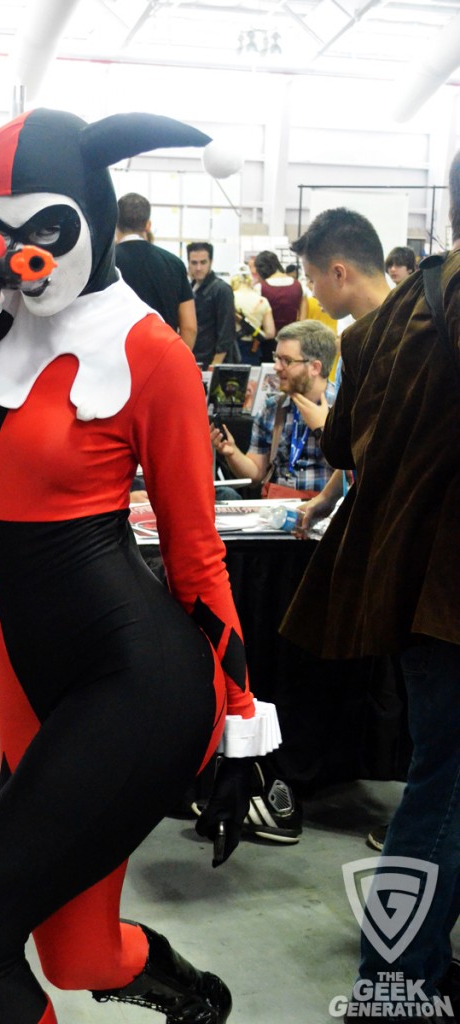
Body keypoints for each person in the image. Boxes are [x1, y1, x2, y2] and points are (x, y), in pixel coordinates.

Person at [0, 107, 279, 1024]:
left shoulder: (149, 353)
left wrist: (238, 720)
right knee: (76, 953)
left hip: (132, 686)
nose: (28, 255)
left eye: (48, 229)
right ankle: (198, 1000)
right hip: (32, 683)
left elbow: (195, 551)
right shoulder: (2, 324)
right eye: (7, 229)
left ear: (94, 214)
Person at [280, 151, 460, 1023]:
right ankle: (396, 982)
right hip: (450, 592)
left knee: (443, 774)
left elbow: (342, 445)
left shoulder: (394, 314)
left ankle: (414, 965)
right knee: (447, 783)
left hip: (412, 588)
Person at [290, 207, 391, 533]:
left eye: (311, 278)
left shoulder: (394, 337)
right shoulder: (360, 338)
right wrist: (329, 497)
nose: (311, 291)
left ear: (338, 273)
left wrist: (325, 427)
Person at [210, 319, 337, 499]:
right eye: (277, 358)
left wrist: (323, 429)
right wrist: (232, 453)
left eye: (287, 361)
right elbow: (255, 474)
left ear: (315, 367)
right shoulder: (272, 408)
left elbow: (354, 472)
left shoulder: (344, 408)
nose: (276, 367)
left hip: (327, 512)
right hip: (278, 513)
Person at [114, 191, 197, 348]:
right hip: (163, 355)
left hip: (119, 358)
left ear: (116, 223)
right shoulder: (174, 264)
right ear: (148, 225)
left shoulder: (105, 264)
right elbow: (189, 327)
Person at [186, 242, 239, 369]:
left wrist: (215, 364)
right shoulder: (190, 288)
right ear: (188, 263)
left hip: (213, 361)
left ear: (211, 262)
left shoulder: (222, 290)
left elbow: (226, 331)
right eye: (194, 263)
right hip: (195, 358)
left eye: (203, 262)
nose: (198, 267)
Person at [254, 250, 306, 358]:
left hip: (268, 342)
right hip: (293, 340)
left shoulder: (260, 288)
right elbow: (302, 320)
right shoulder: (299, 286)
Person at [230, 263, 275, 365]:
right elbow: (270, 333)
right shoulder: (262, 301)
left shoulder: (229, 298)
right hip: (253, 349)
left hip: (233, 349)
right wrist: (256, 332)